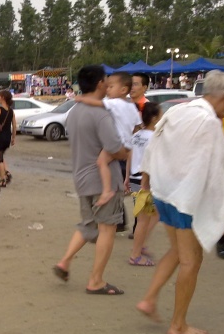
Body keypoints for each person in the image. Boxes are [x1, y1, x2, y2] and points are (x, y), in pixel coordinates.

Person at [137, 71, 224, 334]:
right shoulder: (207, 121)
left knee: (177, 251)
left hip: (164, 192)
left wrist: (147, 182)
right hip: (183, 198)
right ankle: (178, 326)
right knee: (192, 260)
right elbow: (215, 173)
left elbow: (154, 146)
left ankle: (149, 299)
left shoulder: (178, 111)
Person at [53, 65, 128, 295]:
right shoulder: (100, 113)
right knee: (107, 229)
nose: (108, 85)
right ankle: (96, 280)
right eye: (106, 81)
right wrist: (126, 151)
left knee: (88, 225)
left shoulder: (74, 111)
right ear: (99, 84)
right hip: (103, 181)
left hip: (82, 178)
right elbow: (115, 148)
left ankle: (64, 261)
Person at [78, 72, 140, 207]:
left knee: (101, 162)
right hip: (127, 144)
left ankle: (107, 190)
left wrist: (82, 99)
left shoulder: (114, 103)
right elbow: (137, 126)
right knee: (111, 164)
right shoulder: (131, 106)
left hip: (117, 142)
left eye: (111, 87)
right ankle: (116, 186)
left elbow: (96, 103)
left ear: (123, 89)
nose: (107, 90)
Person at [125, 102, 162, 266]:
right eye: (160, 115)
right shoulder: (154, 138)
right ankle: (135, 255)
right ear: (154, 118)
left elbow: (129, 157)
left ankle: (141, 245)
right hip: (145, 181)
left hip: (135, 178)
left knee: (154, 214)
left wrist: (127, 177)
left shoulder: (137, 135)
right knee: (143, 219)